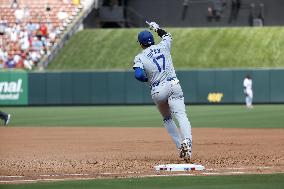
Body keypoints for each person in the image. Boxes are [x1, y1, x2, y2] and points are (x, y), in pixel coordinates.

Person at [132, 22, 193, 162]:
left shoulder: (140, 57)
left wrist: (147, 79)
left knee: (167, 118)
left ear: (141, 44)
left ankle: (180, 147)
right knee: (182, 115)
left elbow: (138, 75)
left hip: (158, 89)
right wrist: (157, 28)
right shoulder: (163, 45)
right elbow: (167, 36)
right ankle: (187, 144)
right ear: (152, 40)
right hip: (173, 84)